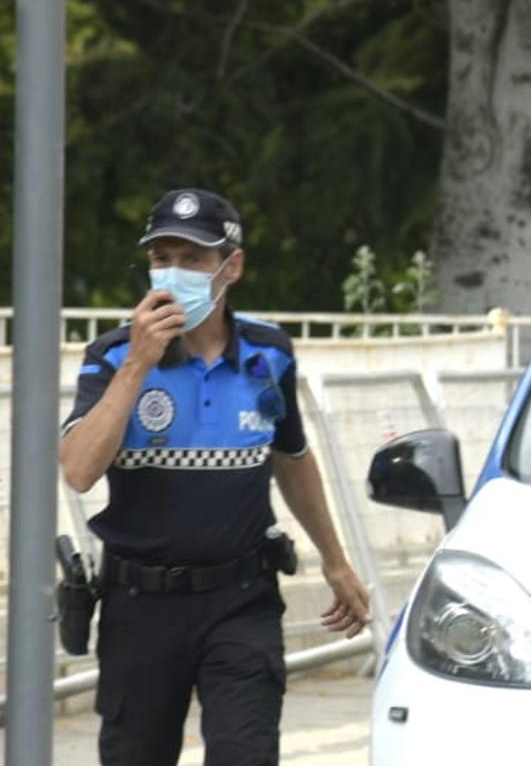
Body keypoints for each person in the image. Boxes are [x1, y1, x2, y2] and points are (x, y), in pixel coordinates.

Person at [59, 188, 372, 766]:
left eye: (192, 259)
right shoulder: (110, 356)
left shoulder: (268, 354)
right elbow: (78, 471)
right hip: (140, 605)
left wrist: (334, 558)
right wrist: (137, 364)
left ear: (232, 267)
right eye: (162, 258)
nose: (173, 272)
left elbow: (291, 456)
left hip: (241, 601)